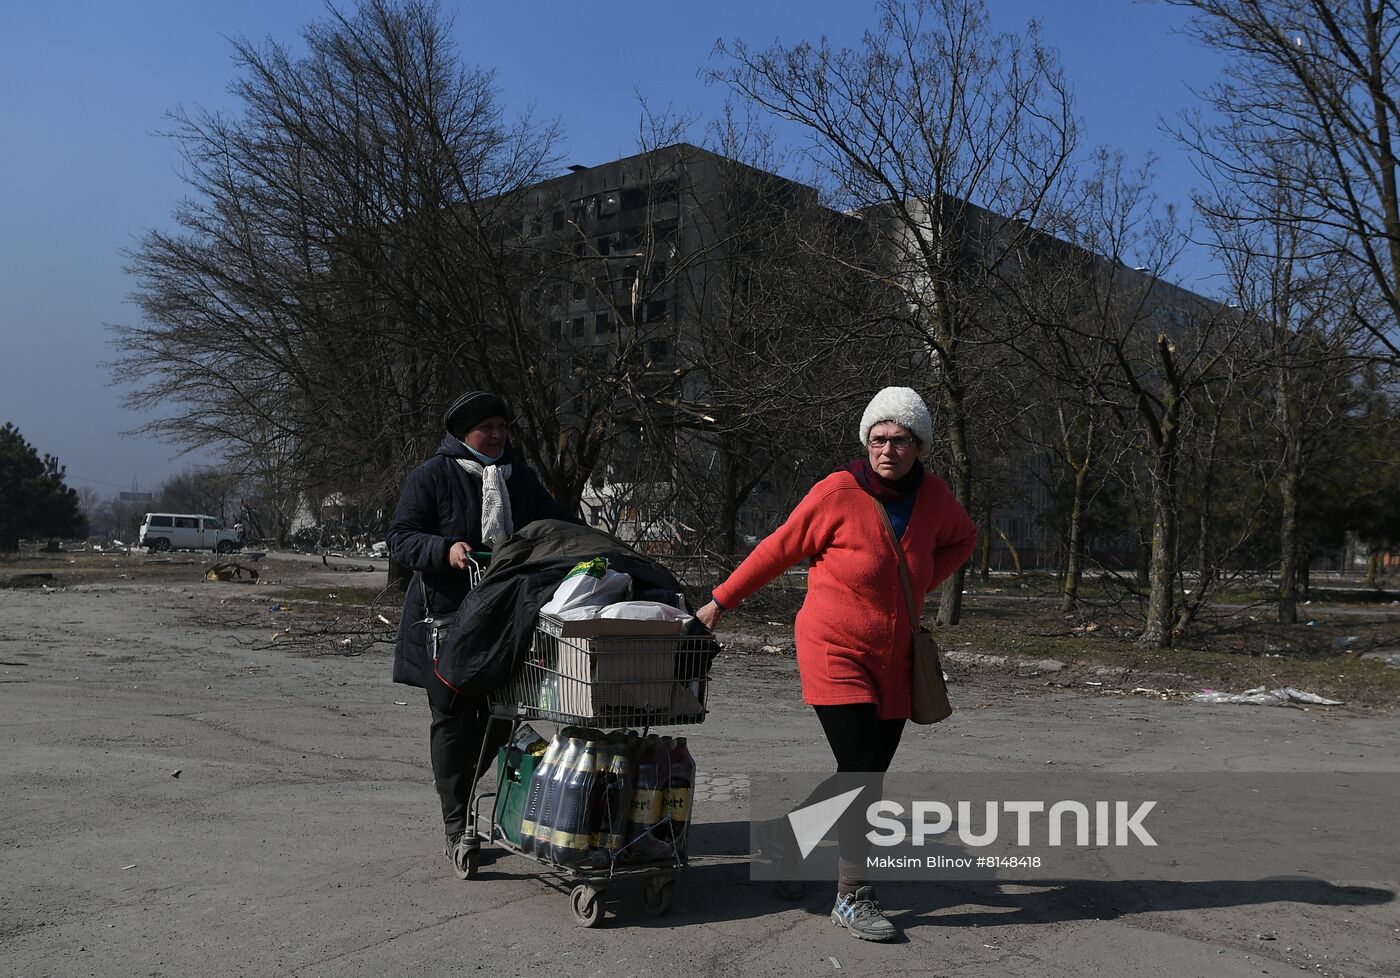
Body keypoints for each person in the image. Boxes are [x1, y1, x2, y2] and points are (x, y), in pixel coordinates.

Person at [695, 386, 977, 942]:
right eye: (878, 439)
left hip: (895, 657)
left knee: (862, 772)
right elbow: (777, 549)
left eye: (899, 440)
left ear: (919, 446)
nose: (887, 449)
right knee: (864, 774)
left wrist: (918, 586)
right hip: (833, 646)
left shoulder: (936, 498)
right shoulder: (837, 492)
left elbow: (962, 541)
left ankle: (783, 840)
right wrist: (719, 600)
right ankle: (853, 896)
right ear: (866, 442)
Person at [388, 390, 577, 878]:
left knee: (498, 716)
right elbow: (401, 536)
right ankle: (457, 827)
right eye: (485, 428)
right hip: (445, 620)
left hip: (504, 619)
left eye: (501, 426)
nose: (496, 436)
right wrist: (444, 549)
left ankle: (480, 807)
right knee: (452, 721)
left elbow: (555, 522)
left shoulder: (519, 479)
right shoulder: (433, 476)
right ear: (461, 434)